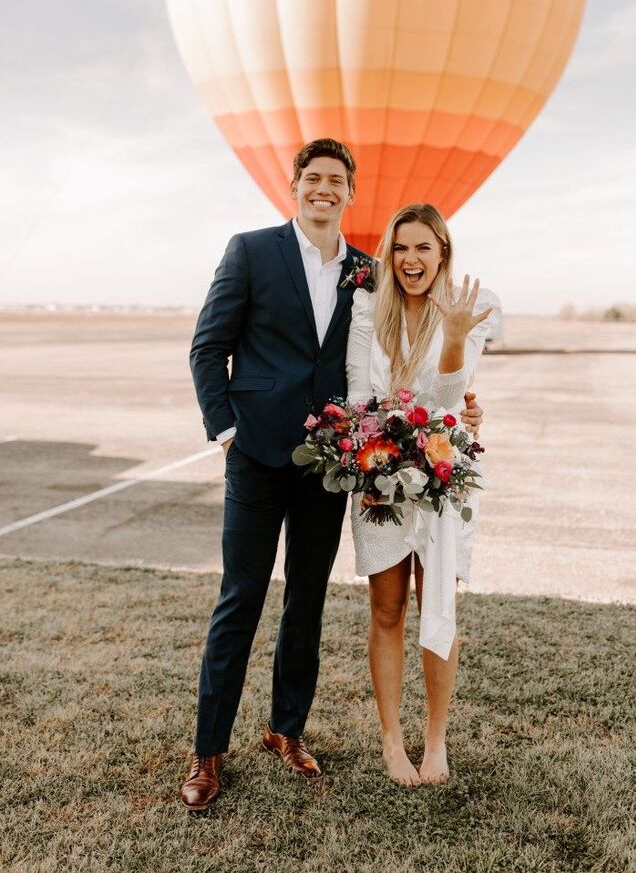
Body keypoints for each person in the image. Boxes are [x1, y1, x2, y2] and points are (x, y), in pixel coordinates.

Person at [180, 141, 485, 811]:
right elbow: (209, 346)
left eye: (336, 181)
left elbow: (401, 356)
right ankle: (208, 752)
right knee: (241, 600)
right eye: (312, 178)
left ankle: (285, 730)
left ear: (350, 193)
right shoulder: (251, 250)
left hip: (332, 467)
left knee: (307, 602)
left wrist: (460, 409)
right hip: (258, 456)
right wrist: (227, 431)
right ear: (294, 186)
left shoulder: (362, 272)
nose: (323, 189)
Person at [346, 204, 501, 788]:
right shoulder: (369, 309)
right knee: (386, 609)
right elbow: (360, 393)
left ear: (442, 254)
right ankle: (391, 741)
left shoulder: (466, 313)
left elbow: (444, 396)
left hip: (441, 475)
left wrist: (455, 340)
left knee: (438, 605)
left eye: (423, 249)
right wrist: (378, 450)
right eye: (401, 249)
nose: (411, 260)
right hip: (378, 472)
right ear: (390, 255)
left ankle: (435, 740)